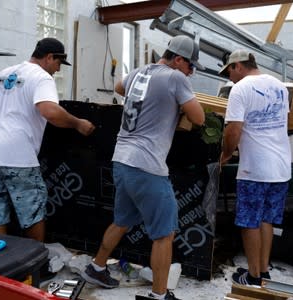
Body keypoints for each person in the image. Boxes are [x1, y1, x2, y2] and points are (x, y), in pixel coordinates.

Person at [81, 35, 205, 300]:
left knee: (123, 220)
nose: (191, 72)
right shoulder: (175, 78)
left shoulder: (139, 72)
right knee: (165, 233)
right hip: (147, 164)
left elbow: (118, 86)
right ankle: (159, 295)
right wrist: (178, 102)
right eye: (191, 66)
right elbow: (199, 117)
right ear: (179, 60)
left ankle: (96, 267)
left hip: (122, 159)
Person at [0, 37, 95, 242]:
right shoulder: (42, 77)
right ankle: (35, 263)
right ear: (49, 57)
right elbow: (49, 111)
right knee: (32, 211)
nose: (57, 70)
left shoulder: (3, 74)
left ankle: (0, 266)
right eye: (58, 63)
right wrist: (78, 123)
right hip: (17, 156)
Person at [218, 49, 292, 286]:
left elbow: (233, 130)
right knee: (266, 220)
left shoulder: (240, 89)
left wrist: (226, 154)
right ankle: (263, 272)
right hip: (280, 167)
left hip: (255, 168)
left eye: (229, 71)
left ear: (238, 65)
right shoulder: (280, 86)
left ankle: (252, 276)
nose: (230, 77)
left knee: (249, 221)